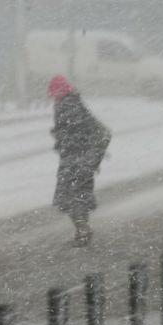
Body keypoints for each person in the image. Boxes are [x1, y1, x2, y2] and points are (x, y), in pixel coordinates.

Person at [49, 74, 111, 247]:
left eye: (55, 93)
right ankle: (82, 229)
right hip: (80, 159)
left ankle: (82, 230)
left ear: (61, 91)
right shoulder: (70, 103)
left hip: (77, 160)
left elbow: (76, 134)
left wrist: (62, 137)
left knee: (73, 196)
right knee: (77, 195)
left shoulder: (68, 106)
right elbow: (78, 131)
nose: (53, 97)